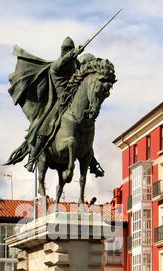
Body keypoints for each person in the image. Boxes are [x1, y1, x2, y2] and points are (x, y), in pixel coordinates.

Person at [6, 37, 105, 178]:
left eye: (71, 50)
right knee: (43, 127)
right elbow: (61, 63)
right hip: (58, 103)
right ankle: (33, 158)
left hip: (74, 103)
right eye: (68, 50)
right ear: (64, 51)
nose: (70, 52)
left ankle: (92, 163)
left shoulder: (75, 66)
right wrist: (73, 54)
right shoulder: (56, 67)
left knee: (85, 132)